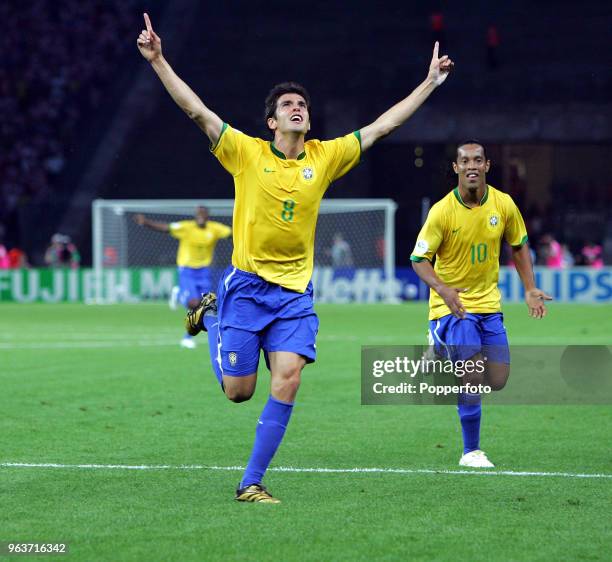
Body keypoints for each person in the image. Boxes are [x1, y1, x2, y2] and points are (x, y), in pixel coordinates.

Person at [137, 12, 453, 503]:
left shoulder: (324, 157)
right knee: (238, 393)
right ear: (272, 121)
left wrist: (429, 83)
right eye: (288, 104)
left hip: (293, 295)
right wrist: (158, 61)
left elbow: (380, 129)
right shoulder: (245, 151)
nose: (297, 108)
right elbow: (198, 112)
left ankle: (251, 482)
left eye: (302, 103)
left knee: (288, 378)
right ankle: (213, 318)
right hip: (244, 288)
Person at [411, 140, 552, 468]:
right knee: (472, 371)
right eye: (465, 161)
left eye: (478, 160)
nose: (471, 166)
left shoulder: (503, 205)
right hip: (453, 306)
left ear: (488, 165)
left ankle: (439, 348)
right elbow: (419, 259)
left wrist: (530, 288)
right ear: (456, 168)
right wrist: (443, 290)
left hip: (489, 304)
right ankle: (470, 451)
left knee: (498, 376)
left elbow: (518, 246)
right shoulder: (442, 212)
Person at [133, 206, 231, 349]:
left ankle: (187, 338)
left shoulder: (214, 228)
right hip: (187, 270)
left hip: (204, 271)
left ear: (207, 216)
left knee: (205, 307)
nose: (201, 217)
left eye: (203, 214)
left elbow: (233, 233)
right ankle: (179, 294)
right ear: (195, 216)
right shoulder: (186, 227)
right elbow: (166, 228)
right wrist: (145, 222)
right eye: (198, 214)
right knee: (193, 303)